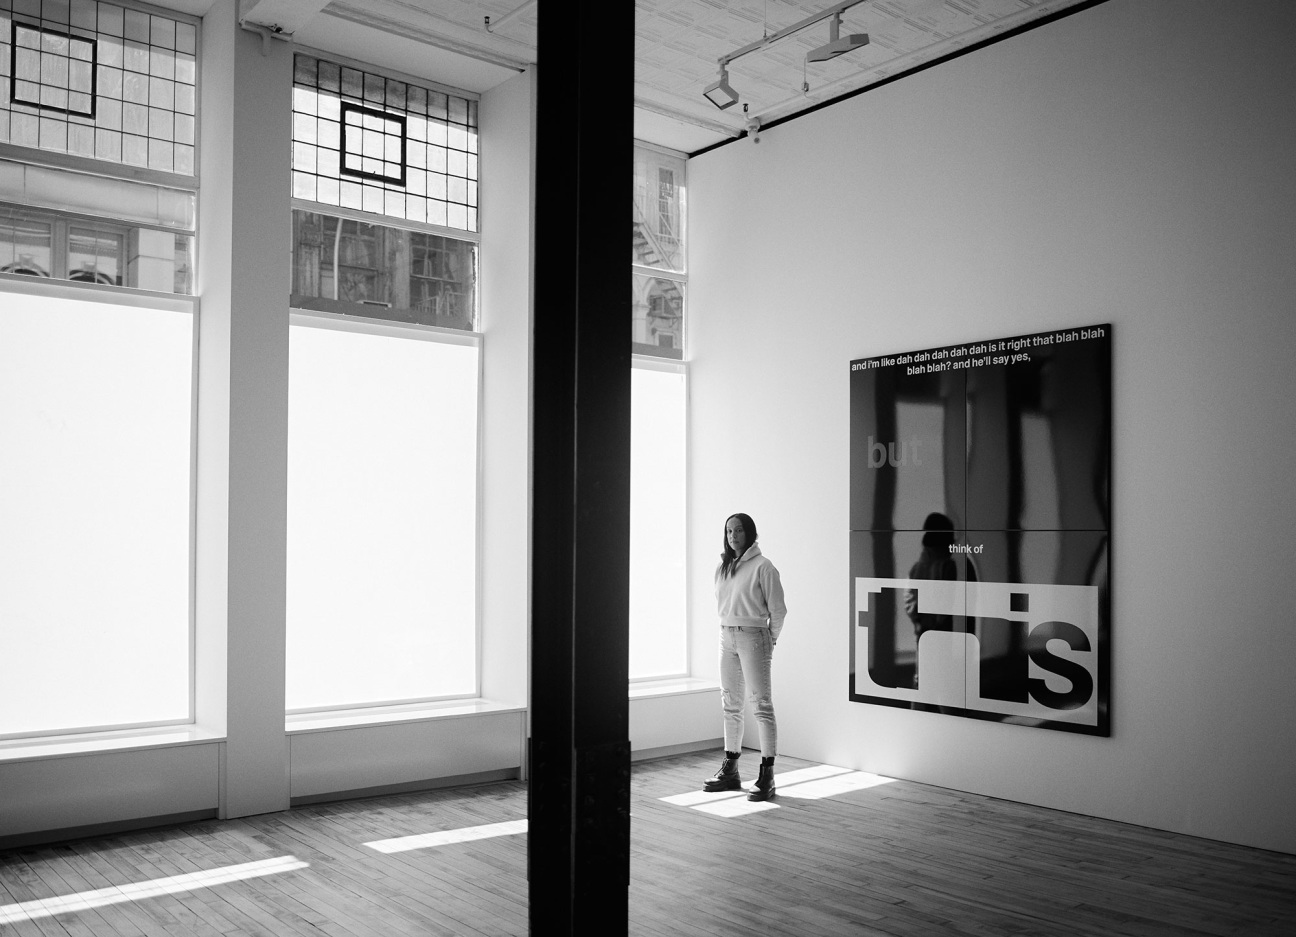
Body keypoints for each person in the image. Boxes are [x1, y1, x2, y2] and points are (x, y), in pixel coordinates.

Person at [703, 512, 786, 801]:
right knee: (730, 702)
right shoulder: (723, 567)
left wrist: (770, 639)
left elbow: (779, 609)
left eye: (738, 530)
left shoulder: (764, 567)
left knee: (761, 704)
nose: (733, 536)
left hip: (754, 636)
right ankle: (731, 769)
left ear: (750, 533)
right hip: (726, 635)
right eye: (728, 531)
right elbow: (721, 603)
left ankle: (767, 774)